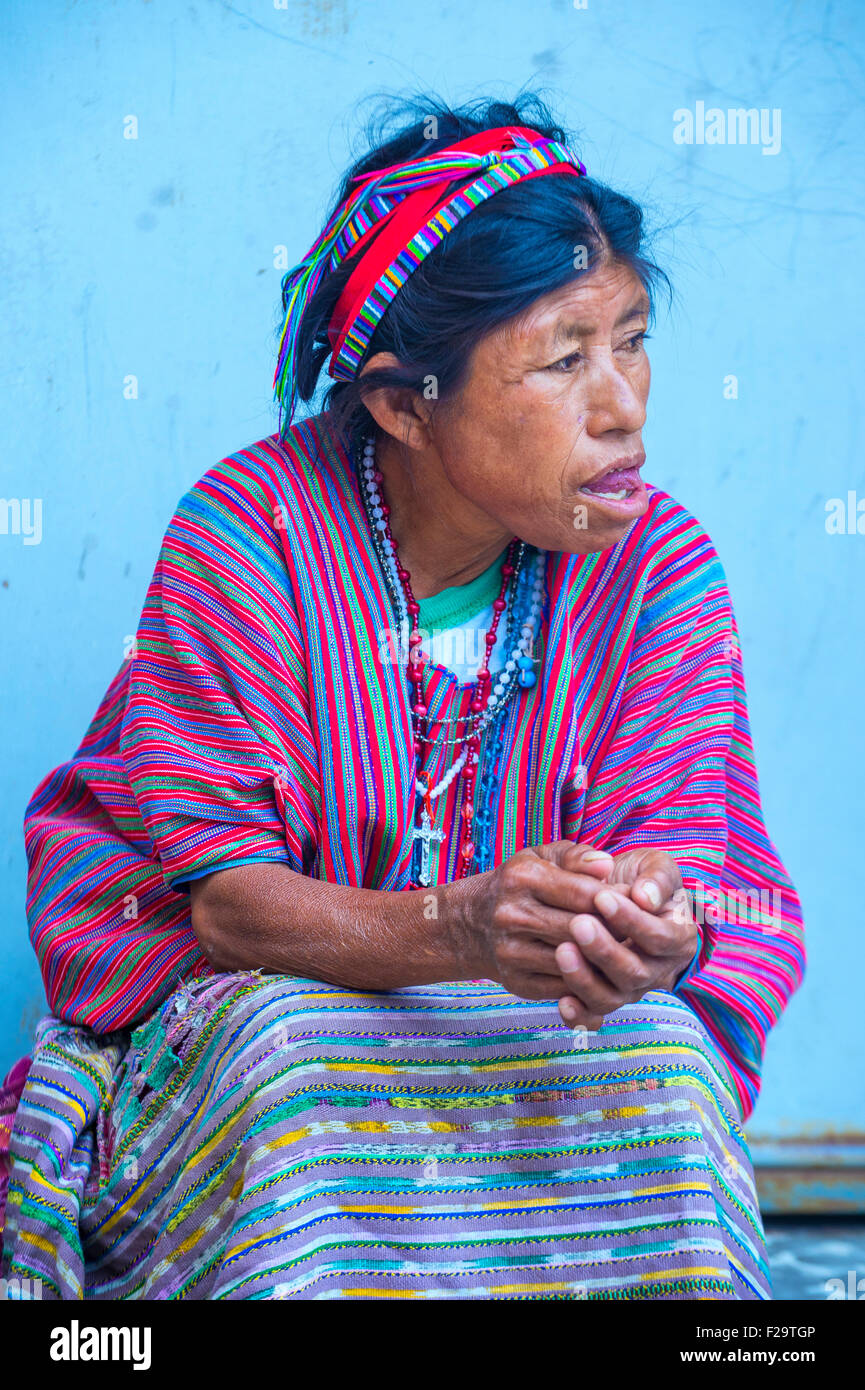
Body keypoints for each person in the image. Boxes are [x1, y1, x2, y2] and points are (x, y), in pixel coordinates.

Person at [0, 95, 804, 1301]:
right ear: (399, 403)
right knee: (292, 1055)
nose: (624, 404)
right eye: (563, 359)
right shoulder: (249, 538)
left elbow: (689, 848)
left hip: (530, 1035)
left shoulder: (659, 566)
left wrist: (651, 926)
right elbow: (227, 912)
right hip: (268, 1037)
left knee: (660, 1062)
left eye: (633, 340)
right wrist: (462, 931)